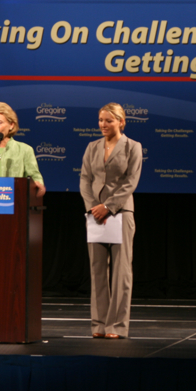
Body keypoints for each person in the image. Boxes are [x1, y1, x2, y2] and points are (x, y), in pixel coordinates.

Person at [79, 103, 142, 339]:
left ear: (121, 122)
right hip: (94, 214)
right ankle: (99, 324)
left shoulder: (132, 147)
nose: (103, 125)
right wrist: (93, 208)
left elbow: (130, 182)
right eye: (101, 120)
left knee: (121, 271)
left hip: (121, 213)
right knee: (97, 270)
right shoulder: (92, 146)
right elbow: (85, 179)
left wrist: (108, 207)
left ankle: (117, 326)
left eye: (108, 121)